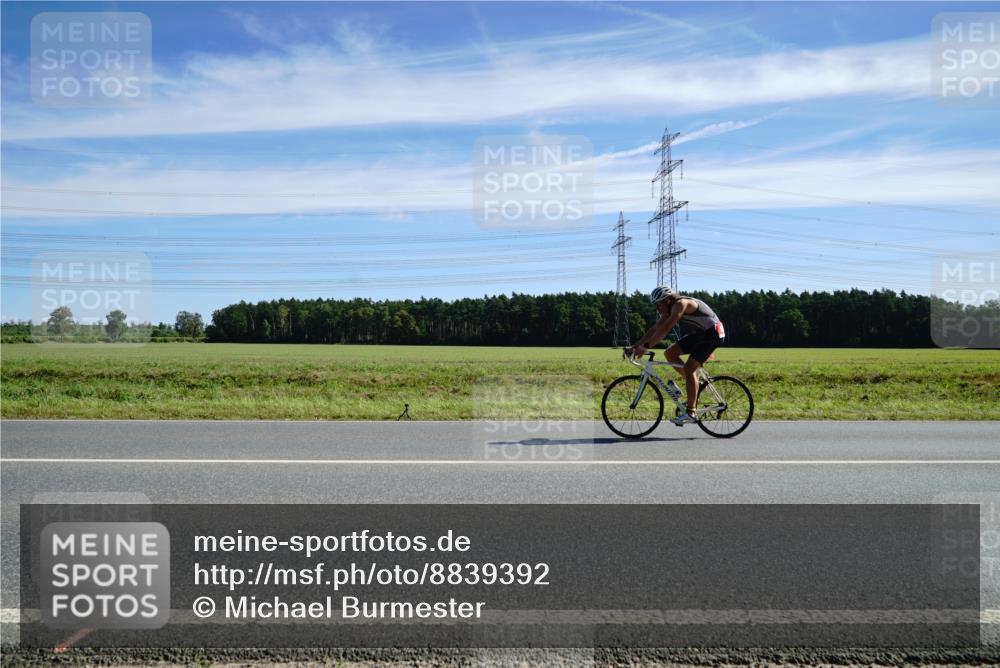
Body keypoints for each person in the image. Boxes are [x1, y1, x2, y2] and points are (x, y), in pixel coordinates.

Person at [626, 286, 725, 425]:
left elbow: (666, 328)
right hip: (701, 334)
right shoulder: (669, 309)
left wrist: (647, 346)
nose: (657, 308)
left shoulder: (680, 304)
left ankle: (691, 412)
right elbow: (654, 329)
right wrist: (635, 346)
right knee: (670, 353)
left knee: (690, 368)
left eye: (658, 304)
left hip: (713, 334)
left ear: (668, 300)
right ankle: (695, 384)